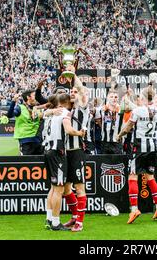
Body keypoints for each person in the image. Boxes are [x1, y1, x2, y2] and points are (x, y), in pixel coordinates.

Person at [116, 85, 157, 224]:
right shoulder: (156, 110)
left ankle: (134, 209)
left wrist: (119, 135)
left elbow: (128, 127)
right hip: (152, 147)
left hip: (138, 147)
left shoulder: (137, 110)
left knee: (132, 176)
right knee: (150, 177)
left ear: (143, 97)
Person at [42, 94, 85, 231]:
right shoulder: (64, 113)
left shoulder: (50, 114)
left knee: (53, 188)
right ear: (67, 103)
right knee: (59, 189)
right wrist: (80, 133)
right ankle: (55, 222)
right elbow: (68, 130)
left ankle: (49, 219)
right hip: (58, 153)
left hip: (47, 150)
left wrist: (49, 110)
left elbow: (40, 114)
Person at [61, 69, 90, 232]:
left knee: (79, 187)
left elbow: (80, 88)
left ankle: (80, 221)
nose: (73, 93)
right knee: (66, 188)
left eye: (75, 91)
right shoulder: (66, 110)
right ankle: (74, 216)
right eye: (70, 91)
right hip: (65, 152)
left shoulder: (82, 107)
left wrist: (73, 76)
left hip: (77, 151)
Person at [8, 90, 43, 156]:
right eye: (34, 95)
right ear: (28, 97)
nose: (37, 98)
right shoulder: (20, 108)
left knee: (40, 164)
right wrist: (13, 101)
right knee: (26, 163)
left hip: (38, 140)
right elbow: (9, 115)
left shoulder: (38, 108)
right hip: (26, 141)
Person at [95, 90, 124, 154]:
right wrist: (103, 127)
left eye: (116, 97)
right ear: (108, 98)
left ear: (118, 99)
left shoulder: (122, 110)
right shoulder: (102, 110)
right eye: (111, 97)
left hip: (117, 142)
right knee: (105, 163)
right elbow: (98, 119)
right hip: (105, 142)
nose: (114, 99)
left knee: (117, 163)